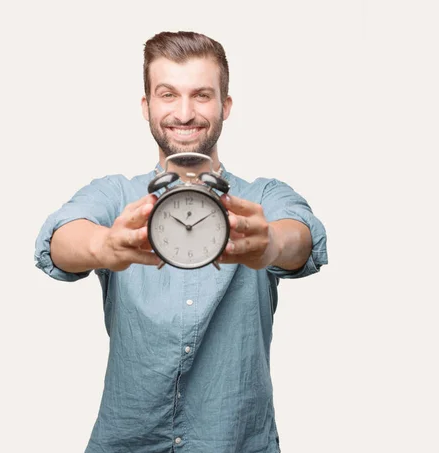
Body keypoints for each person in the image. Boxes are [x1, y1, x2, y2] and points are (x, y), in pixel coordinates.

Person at [34, 31, 328, 453]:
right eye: (168, 94)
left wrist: (270, 247)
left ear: (225, 106)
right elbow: (61, 237)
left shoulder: (262, 199)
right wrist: (105, 248)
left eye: (202, 95)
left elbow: (299, 236)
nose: (185, 113)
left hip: (236, 443)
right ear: (147, 105)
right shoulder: (117, 196)